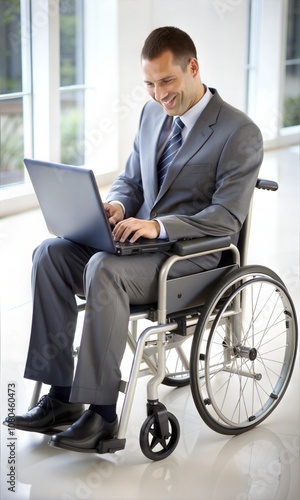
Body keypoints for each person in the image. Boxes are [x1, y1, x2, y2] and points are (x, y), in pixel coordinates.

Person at [3, 26, 263, 453]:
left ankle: (103, 415)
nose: (159, 94)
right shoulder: (151, 114)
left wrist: (159, 227)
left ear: (193, 68)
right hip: (138, 248)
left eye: (167, 81)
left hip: (191, 259)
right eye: (149, 83)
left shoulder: (239, 132)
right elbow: (130, 179)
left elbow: (226, 218)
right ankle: (62, 396)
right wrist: (120, 207)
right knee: (49, 253)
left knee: (103, 270)